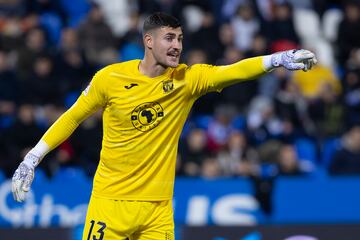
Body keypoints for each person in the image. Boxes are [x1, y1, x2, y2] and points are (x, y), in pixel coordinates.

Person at [11, 12, 317, 240]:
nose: (177, 46)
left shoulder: (187, 80)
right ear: (149, 41)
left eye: (180, 39)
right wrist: (32, 158)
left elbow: (233, 71)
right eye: (169, 38)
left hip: (158, 209)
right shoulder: (110, 79)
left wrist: (277, 59)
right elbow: (72, 117)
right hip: (110, 204)